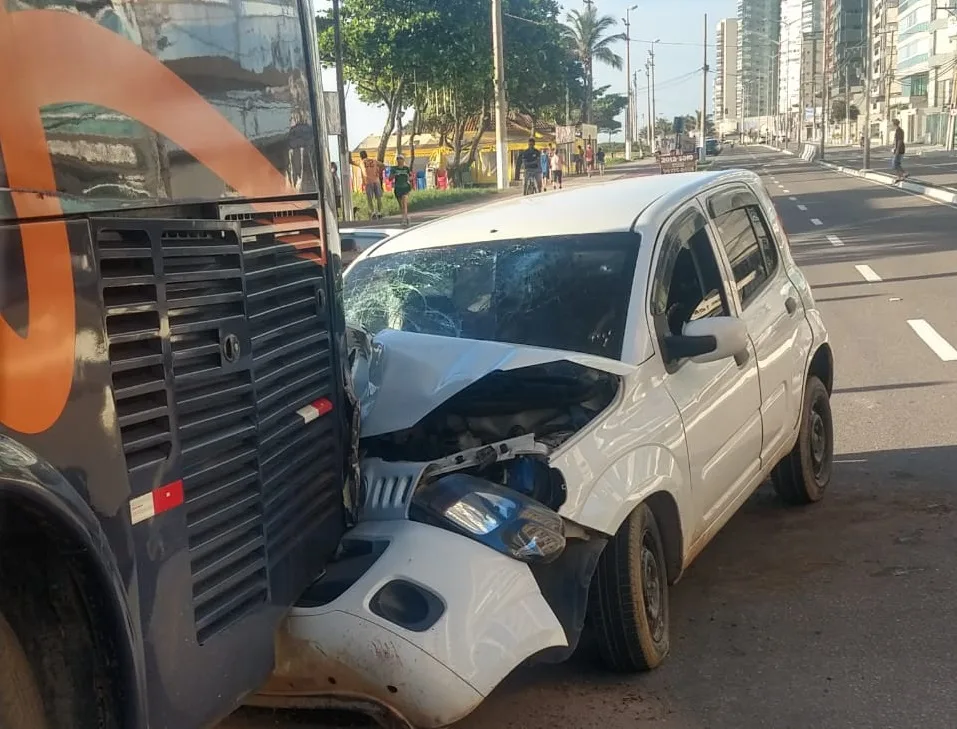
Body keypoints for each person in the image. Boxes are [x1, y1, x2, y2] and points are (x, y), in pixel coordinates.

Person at [389, 154, 413, 226]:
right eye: (398, 159)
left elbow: (411, 176)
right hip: (397, 188)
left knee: (404, 204)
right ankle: (407, 217)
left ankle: (403, 220)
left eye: (401, 159)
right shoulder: (394, 168)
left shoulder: (406, 168)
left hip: (405, 187)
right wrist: (394, 175)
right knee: (401, 205)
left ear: (403, 160)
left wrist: (409, 179)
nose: (399, 160)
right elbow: (390, 178)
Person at [358, 150, 383, 219]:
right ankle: (379, 212)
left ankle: (373, 212)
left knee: (370, 198)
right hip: (376, 180)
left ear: (361, 156)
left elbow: (351, 162)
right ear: (366, 154)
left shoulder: (361, 162)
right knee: (378, 197)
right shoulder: (374, 160)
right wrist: (378, 172)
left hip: (368, 181)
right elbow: (382, 165)